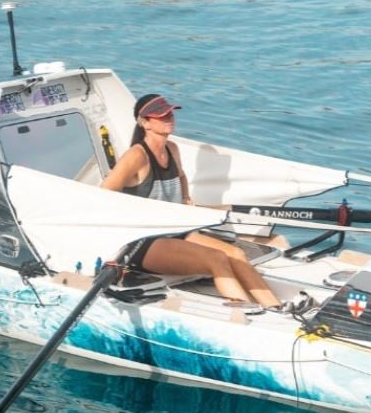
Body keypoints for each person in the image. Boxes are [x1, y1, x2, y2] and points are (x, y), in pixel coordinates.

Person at [102, 94, 282, 310]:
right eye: (161, 116)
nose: (169, 118)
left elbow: (181, 176)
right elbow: (104, 193)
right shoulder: (136, 155)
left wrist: (186, 199)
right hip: (143, 243)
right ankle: (243, 310)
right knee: (216, 258)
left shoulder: (172, 149)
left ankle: (275, 308)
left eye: (170, 113)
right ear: (144, 122)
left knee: (237, 254)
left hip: (176, 232)